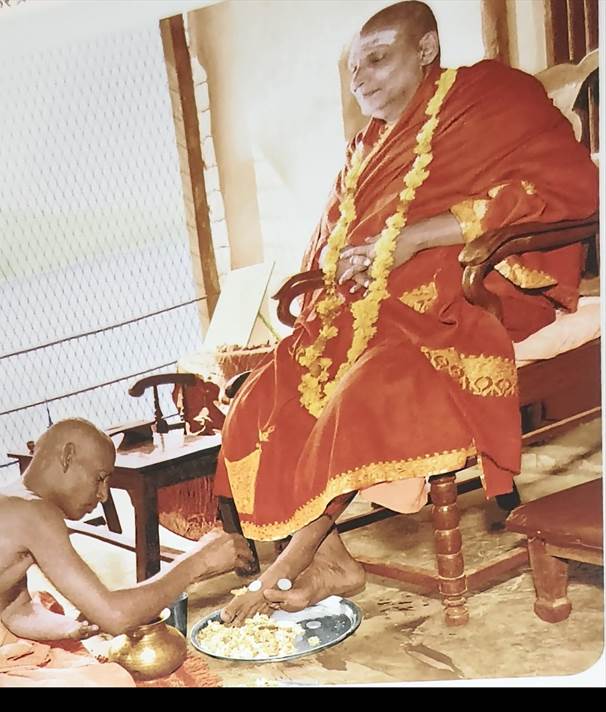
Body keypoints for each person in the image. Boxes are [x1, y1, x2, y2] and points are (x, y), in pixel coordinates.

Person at [212, 1, 598, 625]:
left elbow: (559, 190)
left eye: (377, 58)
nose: (361, 78)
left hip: (469, 295)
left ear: (425, 50)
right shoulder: (363, 147)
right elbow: (332, 240)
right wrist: (344, 270)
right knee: (260, 399)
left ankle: (281, 571)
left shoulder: (491, 96)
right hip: (365, 311)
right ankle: (334, 563)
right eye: (354, 69)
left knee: (366, 391)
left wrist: (419, 237)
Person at [0, 418, 253, 641]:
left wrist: (68, 628)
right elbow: (116, 617)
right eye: (100, 478)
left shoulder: (14, 501)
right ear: (67, 456)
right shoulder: (34, 513)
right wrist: (200, 560)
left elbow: (14, 609)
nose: (103, 495)